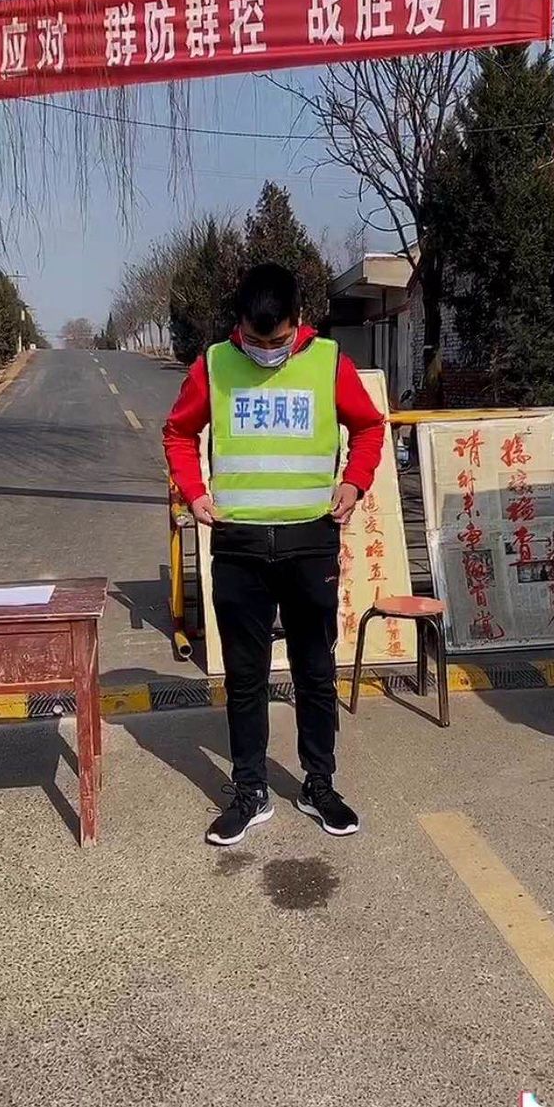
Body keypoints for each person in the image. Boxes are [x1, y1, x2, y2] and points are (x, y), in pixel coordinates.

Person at [164, 262, 385, 846]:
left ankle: (319, 784)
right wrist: (193, 491)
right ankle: (250, 790)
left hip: (310, 541)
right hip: (238, 545)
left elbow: (368, 427)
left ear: (299, 321)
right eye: (256, 341)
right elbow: (179, 432)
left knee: (315, 671)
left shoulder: (327, 363)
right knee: (245, 676)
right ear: (239, 324)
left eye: (279, 340)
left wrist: (354, 481)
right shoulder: (214, 364)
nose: (267, 351)